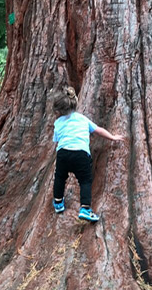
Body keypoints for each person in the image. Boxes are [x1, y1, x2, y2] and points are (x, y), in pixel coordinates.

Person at [52, 86, 124, 222]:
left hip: (63, 153)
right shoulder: (82, 119)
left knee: (60, 177)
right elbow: (98, 130)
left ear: (57, 110)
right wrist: (113, 137)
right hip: (81, 154)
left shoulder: (57, 123)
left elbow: (56, 140)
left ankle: (58, 203)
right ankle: (85, 208)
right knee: (85, 181)